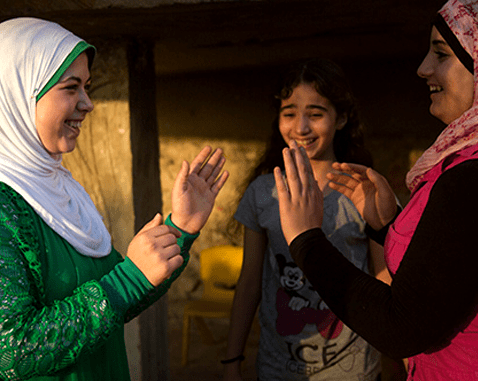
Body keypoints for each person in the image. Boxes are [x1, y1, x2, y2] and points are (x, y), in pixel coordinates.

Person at [0, 17, 228, 380]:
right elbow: (12, 351)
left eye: (87, 87)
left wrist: (181, 229)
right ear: (18, 93)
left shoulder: (60, 189)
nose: (87, 104)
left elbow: (120, 297)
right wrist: (129, 279)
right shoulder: (5, 206)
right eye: (70, 88)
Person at [274, 0, 478, 380]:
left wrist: (306, 240)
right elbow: (450, 271)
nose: (423, 68)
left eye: (441, 54)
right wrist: (387, 225)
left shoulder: (470, 177)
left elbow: (402, 327)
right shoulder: (459, 162)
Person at [223, 58, 393, 381]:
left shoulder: (364, 191)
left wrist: (398, 359)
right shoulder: (262, 194)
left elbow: (384, 281)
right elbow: (249, 283)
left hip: (354, 370)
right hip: (278, 370)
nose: (300, 128)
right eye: (289, 114)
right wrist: (232, 360)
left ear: (341, 118)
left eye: (315, 114)